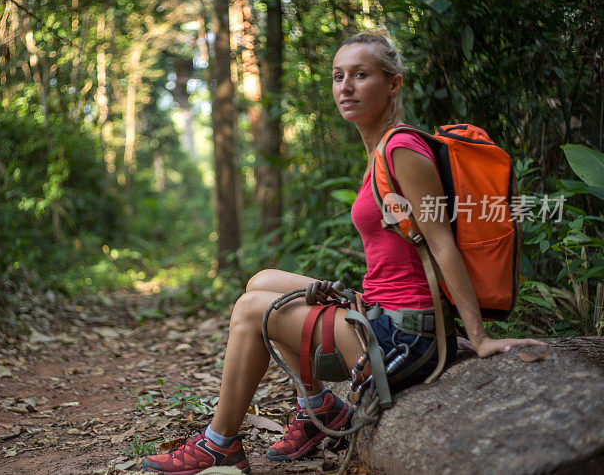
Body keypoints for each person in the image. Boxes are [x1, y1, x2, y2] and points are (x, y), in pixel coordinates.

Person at [141, 27, 546, 475]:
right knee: (263, 281)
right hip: (380, 311)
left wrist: (480, 337)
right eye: (338, 76)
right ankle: (319, 411)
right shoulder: (378, 149)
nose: (345, 87)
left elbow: (442, 243)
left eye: (360, 75)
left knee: (252, 309)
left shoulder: (402, 149)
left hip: (405, 337)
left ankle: (220, 444)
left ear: (394, 84)